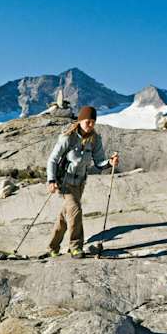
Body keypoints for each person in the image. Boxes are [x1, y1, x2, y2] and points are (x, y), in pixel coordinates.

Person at [46, 105, 119, 257]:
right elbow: (53, 159)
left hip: (80, 184)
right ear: (80, 121)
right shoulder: (68, 138)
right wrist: (51, 180)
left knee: (66, 214)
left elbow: (99, 162)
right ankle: (76, 247)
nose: (90, 125)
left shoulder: (95, 139)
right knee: (76, 210)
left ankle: (53, 247)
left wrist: (110, 162)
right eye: (87, 121)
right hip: (65, 182)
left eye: (93, 122)